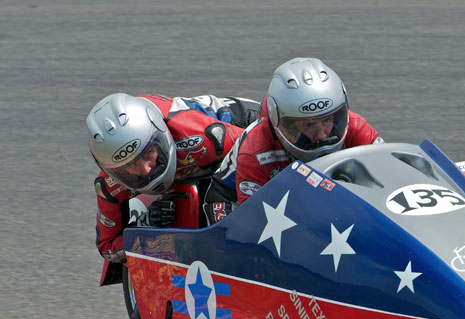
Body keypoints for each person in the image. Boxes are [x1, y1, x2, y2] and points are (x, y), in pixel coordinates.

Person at [204, 57, 383, 223]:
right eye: (309, 125)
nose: (322, 135)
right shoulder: (256, 151)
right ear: (280, 123)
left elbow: (387, 171)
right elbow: (255, 223)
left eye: (327, 121)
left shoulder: (355, 126)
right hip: (232, 201)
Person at [87, 93, 259, 264]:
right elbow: (108, 247)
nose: (145, 169)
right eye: (129, 166)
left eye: (147, 153)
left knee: (223, 213)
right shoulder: (109, 185)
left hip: (246, 128)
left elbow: (259, 156)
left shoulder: (202, 137)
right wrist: (144, 227)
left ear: (160, 134)